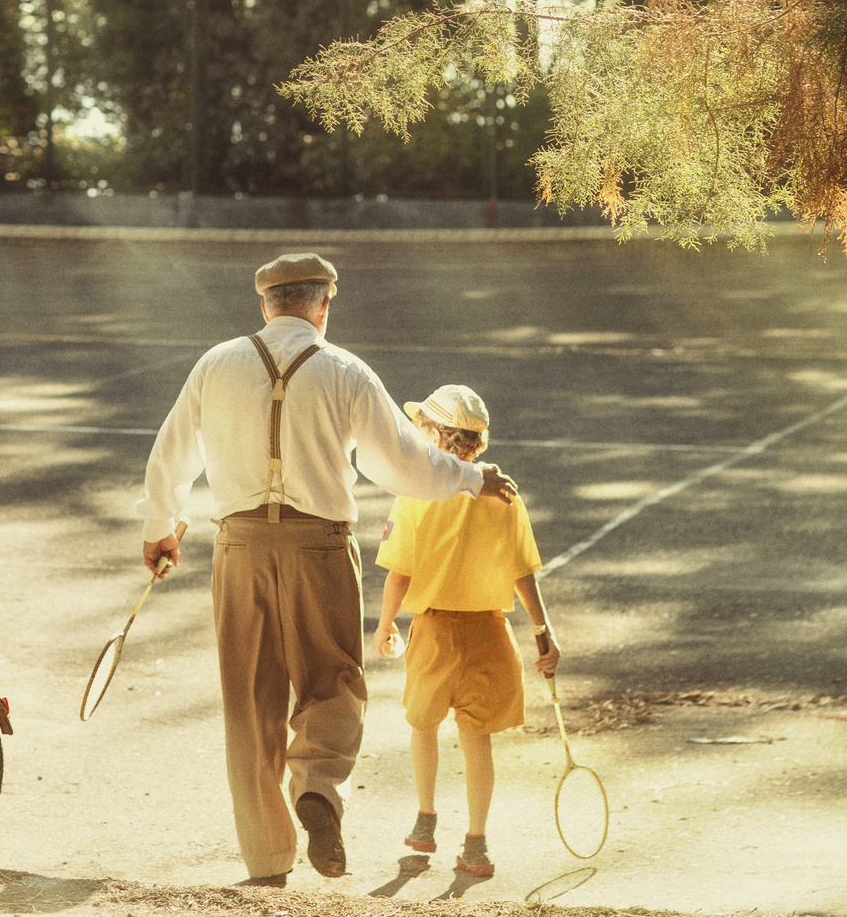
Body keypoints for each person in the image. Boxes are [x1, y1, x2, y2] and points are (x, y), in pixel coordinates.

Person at [138, 253, 518, 888]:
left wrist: (160, 528)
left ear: (265, 305)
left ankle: (265, 863)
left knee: (249, 701)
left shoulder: (217, 364)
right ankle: (316, 785)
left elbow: (171, 453)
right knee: (333, 680)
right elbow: (402, 464)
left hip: (240, 548)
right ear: (323, 305)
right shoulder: (345, 371)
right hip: (319, 546)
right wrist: (473, 478)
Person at [372, 383, 560, 879]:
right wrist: (543, 631)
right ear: (478, 443)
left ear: (435, 435)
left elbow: (400, 573)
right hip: (489, 634)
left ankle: (426, 817)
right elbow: (524, 573)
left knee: (422, 725)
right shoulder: (505, 495)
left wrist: (385, 623)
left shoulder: (417, 491)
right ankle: (476, 844)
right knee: (478, 740)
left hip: (433, 630)